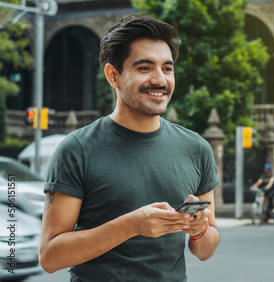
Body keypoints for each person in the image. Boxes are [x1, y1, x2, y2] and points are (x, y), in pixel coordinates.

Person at [38, 14, 220, 282]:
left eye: (167, 68)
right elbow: (50, 257)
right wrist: (131, 225)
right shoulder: (76, 150)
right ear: (113, 75)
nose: (160, 80)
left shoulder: (197, 148)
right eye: (145, 68)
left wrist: (198, 229)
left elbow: (206, 249)